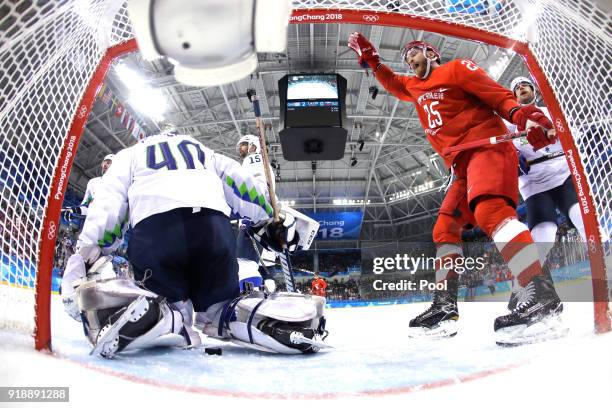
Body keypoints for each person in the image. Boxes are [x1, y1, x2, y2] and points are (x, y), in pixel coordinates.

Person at [348, 33, 563, 345]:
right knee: (444, 227)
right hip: (460, 166)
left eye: (414, 53)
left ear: (431, 54)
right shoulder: (413, 86)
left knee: (491, 212)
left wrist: (524, 119)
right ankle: (445, 307)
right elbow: (394, 83)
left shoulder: (457, 68)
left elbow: (499, 97)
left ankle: (541, 296)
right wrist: (374, 61)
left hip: (487, 150)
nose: (409, 59)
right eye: (406, 57)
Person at [61, 130, 328, 358]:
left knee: (168, 301)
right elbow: (243, 186)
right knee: (220, 308)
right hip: (212, 230)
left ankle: (164, 316)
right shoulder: (202, 151)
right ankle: (283, 321)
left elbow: (109, 208)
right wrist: (271, 214)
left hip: (157, 231)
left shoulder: (130, 154)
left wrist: (90, 251)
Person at [506, 76, 586, 309]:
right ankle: (525, 289)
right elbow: (505, 153)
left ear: (533, 90)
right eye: (517, 88)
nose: (521, 88)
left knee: (583, 218)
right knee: (542, 237)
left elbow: (576, 139)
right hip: (534, 184)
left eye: (525, 85)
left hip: (562, 174)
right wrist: (514, 159)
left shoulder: (550, 110)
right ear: (513, 96)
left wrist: (558, 133)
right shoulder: (508, 123)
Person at [234, 134, 278, 293]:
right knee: (261, 267)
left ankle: (250, 299)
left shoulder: (252, 160)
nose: (241, 148)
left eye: (244, 144)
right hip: (261, 216)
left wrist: (249, 214)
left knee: (244, 262)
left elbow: (256, 186)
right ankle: (265, 296)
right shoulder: (257, 161)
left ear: (253, 146)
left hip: (254, 217)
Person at [62, 154, 114, 221]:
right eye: (105, 162)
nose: (106, 164)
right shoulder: (93, 182)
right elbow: (85, 206)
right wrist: (75, 211)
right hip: (92, 226)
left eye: (109, 163)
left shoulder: (120, 185)